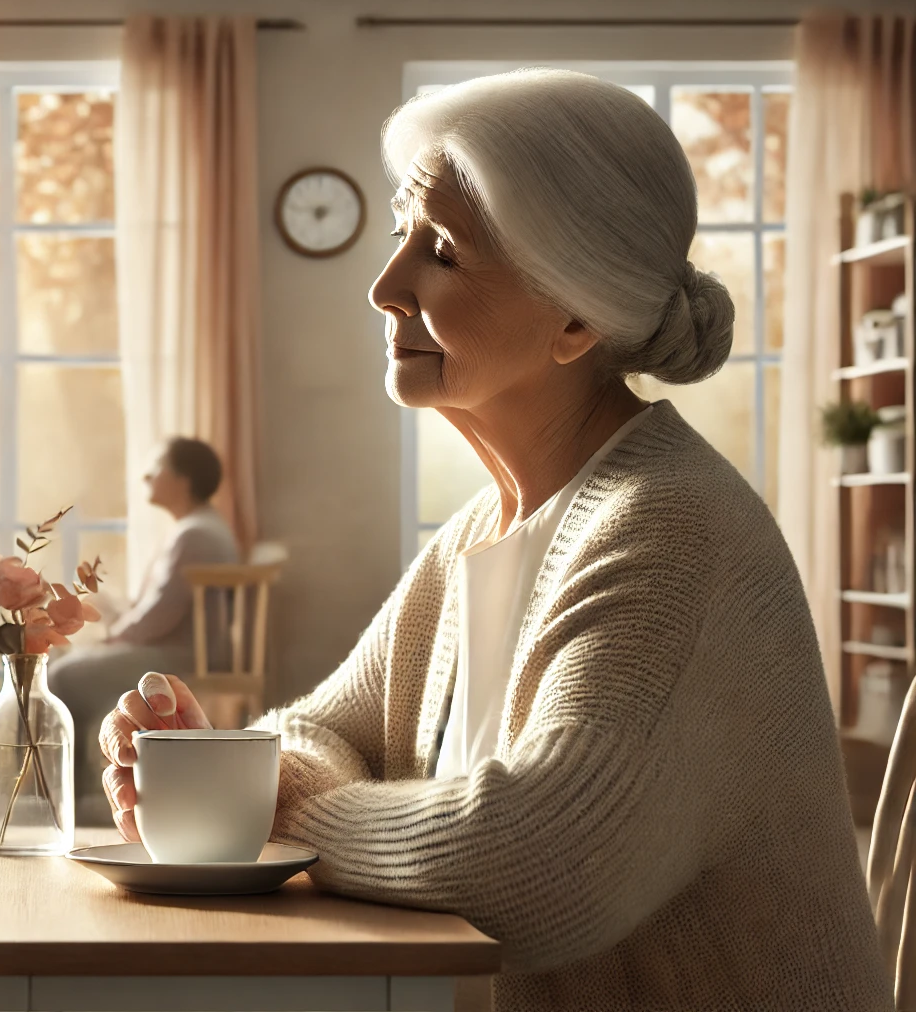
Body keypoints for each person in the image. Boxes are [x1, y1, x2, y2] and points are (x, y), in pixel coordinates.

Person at [99, 70, 889, 1009]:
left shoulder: (672, 527)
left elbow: (541, 864)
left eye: (442, 251)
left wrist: (276, 807)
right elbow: (326, 727)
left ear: (577, 316)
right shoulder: (493, 521)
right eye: (403, 237)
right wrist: (232, 776)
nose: (385, 287)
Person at [51, 437, 239, 819]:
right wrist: (116, 614)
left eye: (157, 468)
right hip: (178, 647)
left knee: (63, 676)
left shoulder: (194, 534)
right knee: (68, 665)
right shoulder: (198, 527)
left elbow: (160, 615)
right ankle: (76, 794)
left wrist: (113, 636)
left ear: (182, 480)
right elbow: (161, 607)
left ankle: (66, 799)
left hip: (180, 655)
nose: (147, 475)